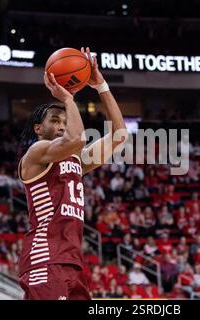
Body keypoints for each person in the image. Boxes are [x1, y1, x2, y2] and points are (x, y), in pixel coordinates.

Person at [17, 47, 127, 300]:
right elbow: (76, 138)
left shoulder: (76, 160)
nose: (61, 126)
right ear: (38, 128)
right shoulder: (36, 153)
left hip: (71, 262)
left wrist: (101, 85)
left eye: (65, 122)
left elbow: (120, 136)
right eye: (55, 120)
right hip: (45, 259)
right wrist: (67, 98)